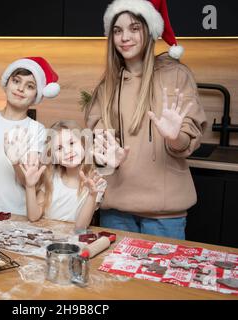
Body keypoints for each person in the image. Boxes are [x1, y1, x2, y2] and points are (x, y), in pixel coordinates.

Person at [84, 0, 207, 239]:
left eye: (134, 28)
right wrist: (104, 156)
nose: (124, 37)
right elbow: (97, 144)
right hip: (117, 210)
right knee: (116, 277)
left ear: (149, 30)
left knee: (159, 278)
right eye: (117, 30)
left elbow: (187, 140)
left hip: (165, 214)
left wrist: (175, 137)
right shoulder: (106, 86)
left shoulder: (176, 75)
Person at [0, 57, 60, 214]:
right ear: (6, 83)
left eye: (30, 86)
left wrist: (16, 162)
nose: (20, 89)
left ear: (37, 94)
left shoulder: (37, 130)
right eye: (16, 81)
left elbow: (28, 182)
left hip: (17, 215)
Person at [19, 120, 107, 231]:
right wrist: (30, 187)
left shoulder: (96, 180)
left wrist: (92, 195)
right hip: (45, 236)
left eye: (71, 143)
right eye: (59, 148)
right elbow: (33, 216)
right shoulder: (50, 177)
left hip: (71, 242)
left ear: (83, 143)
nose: (67, 151)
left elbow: (80, 227)